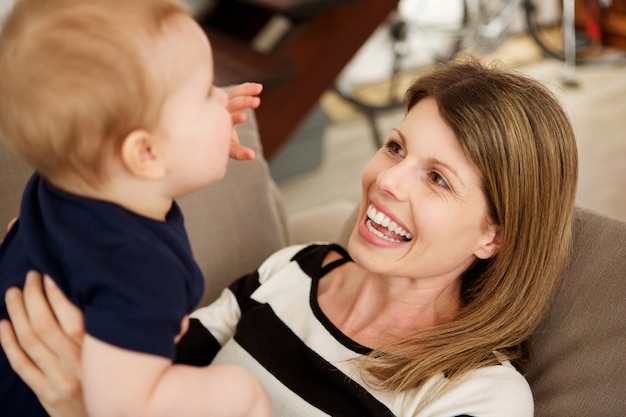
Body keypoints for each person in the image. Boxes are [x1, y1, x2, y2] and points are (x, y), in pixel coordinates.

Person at [1, 58, 579, 416]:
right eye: (396, 147)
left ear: (494, 235)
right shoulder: (293, 270)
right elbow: (155, 353)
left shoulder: (476, 397)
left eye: (437, 179)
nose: (385, 181)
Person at [0, 0, 271, 416]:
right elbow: (123, 408)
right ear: (145, 153)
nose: (222, 99)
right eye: (205, 92)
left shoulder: (57, 186)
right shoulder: (141, 270)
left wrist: (196, 139)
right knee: (240, 390)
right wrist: (243, 395)